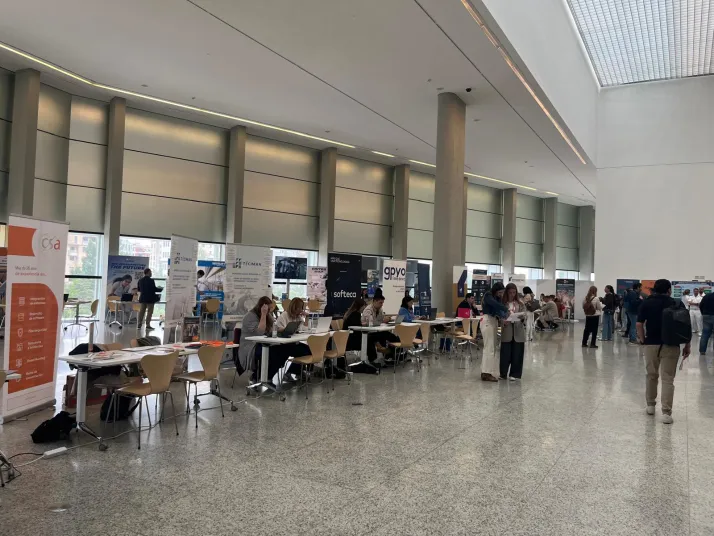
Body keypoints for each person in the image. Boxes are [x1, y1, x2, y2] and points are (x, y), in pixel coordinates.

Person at [636, 279, 690, 424]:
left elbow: (639, 324)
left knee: (651, 375)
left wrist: (642, 340)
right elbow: (685, 325)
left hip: (651, 344)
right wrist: (687, 345)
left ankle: (650, 405)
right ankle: (666, 413)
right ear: (669, 290)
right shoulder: (676, 303)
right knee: (668, 379)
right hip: (671, 345)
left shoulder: (646, 303)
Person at [238, 297, 272, 381]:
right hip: (250, 346)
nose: (269, 311)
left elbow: (273, 329)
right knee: (272, 353)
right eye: (268, 309)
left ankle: (267, 376)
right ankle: (257, 377)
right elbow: (260, 332)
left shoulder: (268, 315)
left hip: (263, 343)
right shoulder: (250, 316)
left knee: (283, 350)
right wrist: (263, 314)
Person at [480, 282, 508, 382]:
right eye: (500, 292)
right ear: (495, 290)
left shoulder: (497, 298)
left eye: (502, 292)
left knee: (491, 348)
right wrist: (506, 309)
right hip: (487, 321)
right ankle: (486, 373)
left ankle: (486, 372)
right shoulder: (488, 295)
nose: (501, 294)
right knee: (489, 348)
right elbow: (495, 305)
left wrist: (505, 317)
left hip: (493, 321)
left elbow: (499, 311)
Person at [500, 283, 525, 381]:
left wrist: (522, 318)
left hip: (518, 332)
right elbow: (499, 316)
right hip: (507, 331)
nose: (512, 294)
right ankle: (503, 374)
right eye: (510, 292)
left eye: (514, 292)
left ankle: (515, 374)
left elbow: (525, 315)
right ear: (506, 292)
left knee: (517, 354)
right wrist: (503, 321)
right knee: (505, 354)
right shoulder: (502, 304)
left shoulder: (520, 304)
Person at [361, 295, 398, 363]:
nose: (382, 304)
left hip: (376, 331)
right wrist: (383, 321)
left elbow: (381, 319)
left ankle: (391, 355)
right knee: (372, 338)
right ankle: (373, 360)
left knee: (393, 337)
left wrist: (388, 319)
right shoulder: (368, 310)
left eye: (382, 303)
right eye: (380, 303)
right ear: (374, 301)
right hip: (368, 332)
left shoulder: (380, 309)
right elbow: (372, 322)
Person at [699, 290, 714, 355]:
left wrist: (703, 313)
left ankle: (702, 351)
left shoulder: (707, 296)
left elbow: (701, 305)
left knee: (705, 333)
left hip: (706, 316)